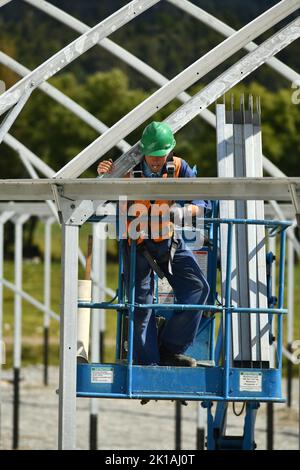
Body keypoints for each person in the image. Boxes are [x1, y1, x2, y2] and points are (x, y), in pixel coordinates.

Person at [97, 121, 210, 367]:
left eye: (162, 155)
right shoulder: (126, 167)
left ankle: (170, 347)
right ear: (143, 151)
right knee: (141, 305)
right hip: (136, 245)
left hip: (169, 242)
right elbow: (98, 197)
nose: (157, 161)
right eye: (152, 155)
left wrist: (181, 213)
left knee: (198, 289)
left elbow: (202, 204)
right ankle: (148, 364)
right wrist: (105, 174)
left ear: (169, 151)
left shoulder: (179, 167)